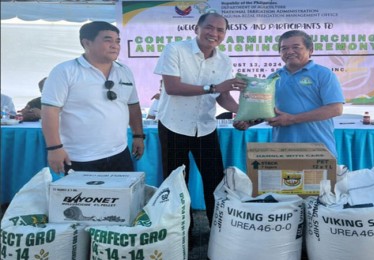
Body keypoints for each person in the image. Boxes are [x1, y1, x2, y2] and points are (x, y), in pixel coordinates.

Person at [153, 12, 246, 232]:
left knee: (215, 181)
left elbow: (223, 97)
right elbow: (173, 88)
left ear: (224, 35)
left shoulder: (224, 60)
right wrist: (213, 88)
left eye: (220, 30)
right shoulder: (175, 50)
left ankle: (218, 231)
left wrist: (245, 113)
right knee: (176, 183)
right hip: (173, 126)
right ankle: (181, 232)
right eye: (209, 27)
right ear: (197, 28)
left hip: (205, 127)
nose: (214, 33)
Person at [41, 21, 145, 174]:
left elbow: (133, 105)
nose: (115, 45)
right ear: (87, 43)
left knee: (122, 197)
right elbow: (50, 111)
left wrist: (138, 135)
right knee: (84, 198)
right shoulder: (65, 71)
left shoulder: (124, 71)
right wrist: (54, 148)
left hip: (119, 153)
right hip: (79, 157)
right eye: (107, 40)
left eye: (117, 41)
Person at [234, 30, 344, 158]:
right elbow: (268, 111)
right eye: (284, 48)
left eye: (296, 47)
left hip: (318, 149)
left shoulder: (324, 75)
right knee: (284, 179)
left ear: (311, 50)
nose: (289, 51)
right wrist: (249, 122)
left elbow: (336, 109)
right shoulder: (273, 78)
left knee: (317, 179)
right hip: (282, 150)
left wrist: (292, 119)